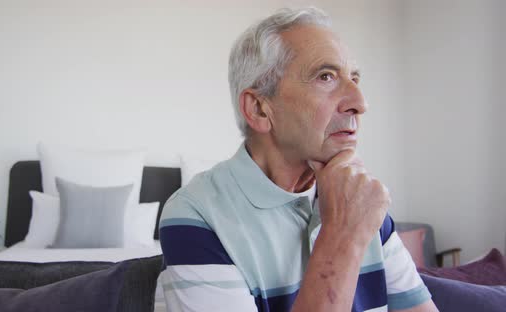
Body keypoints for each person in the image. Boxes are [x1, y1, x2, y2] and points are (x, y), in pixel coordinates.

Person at [159, 7, 438, 312]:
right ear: (259, 109)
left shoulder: (361, 199)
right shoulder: (195, 215)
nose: (360, 102)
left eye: (354, 78)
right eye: (326, 77)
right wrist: (341, 234)